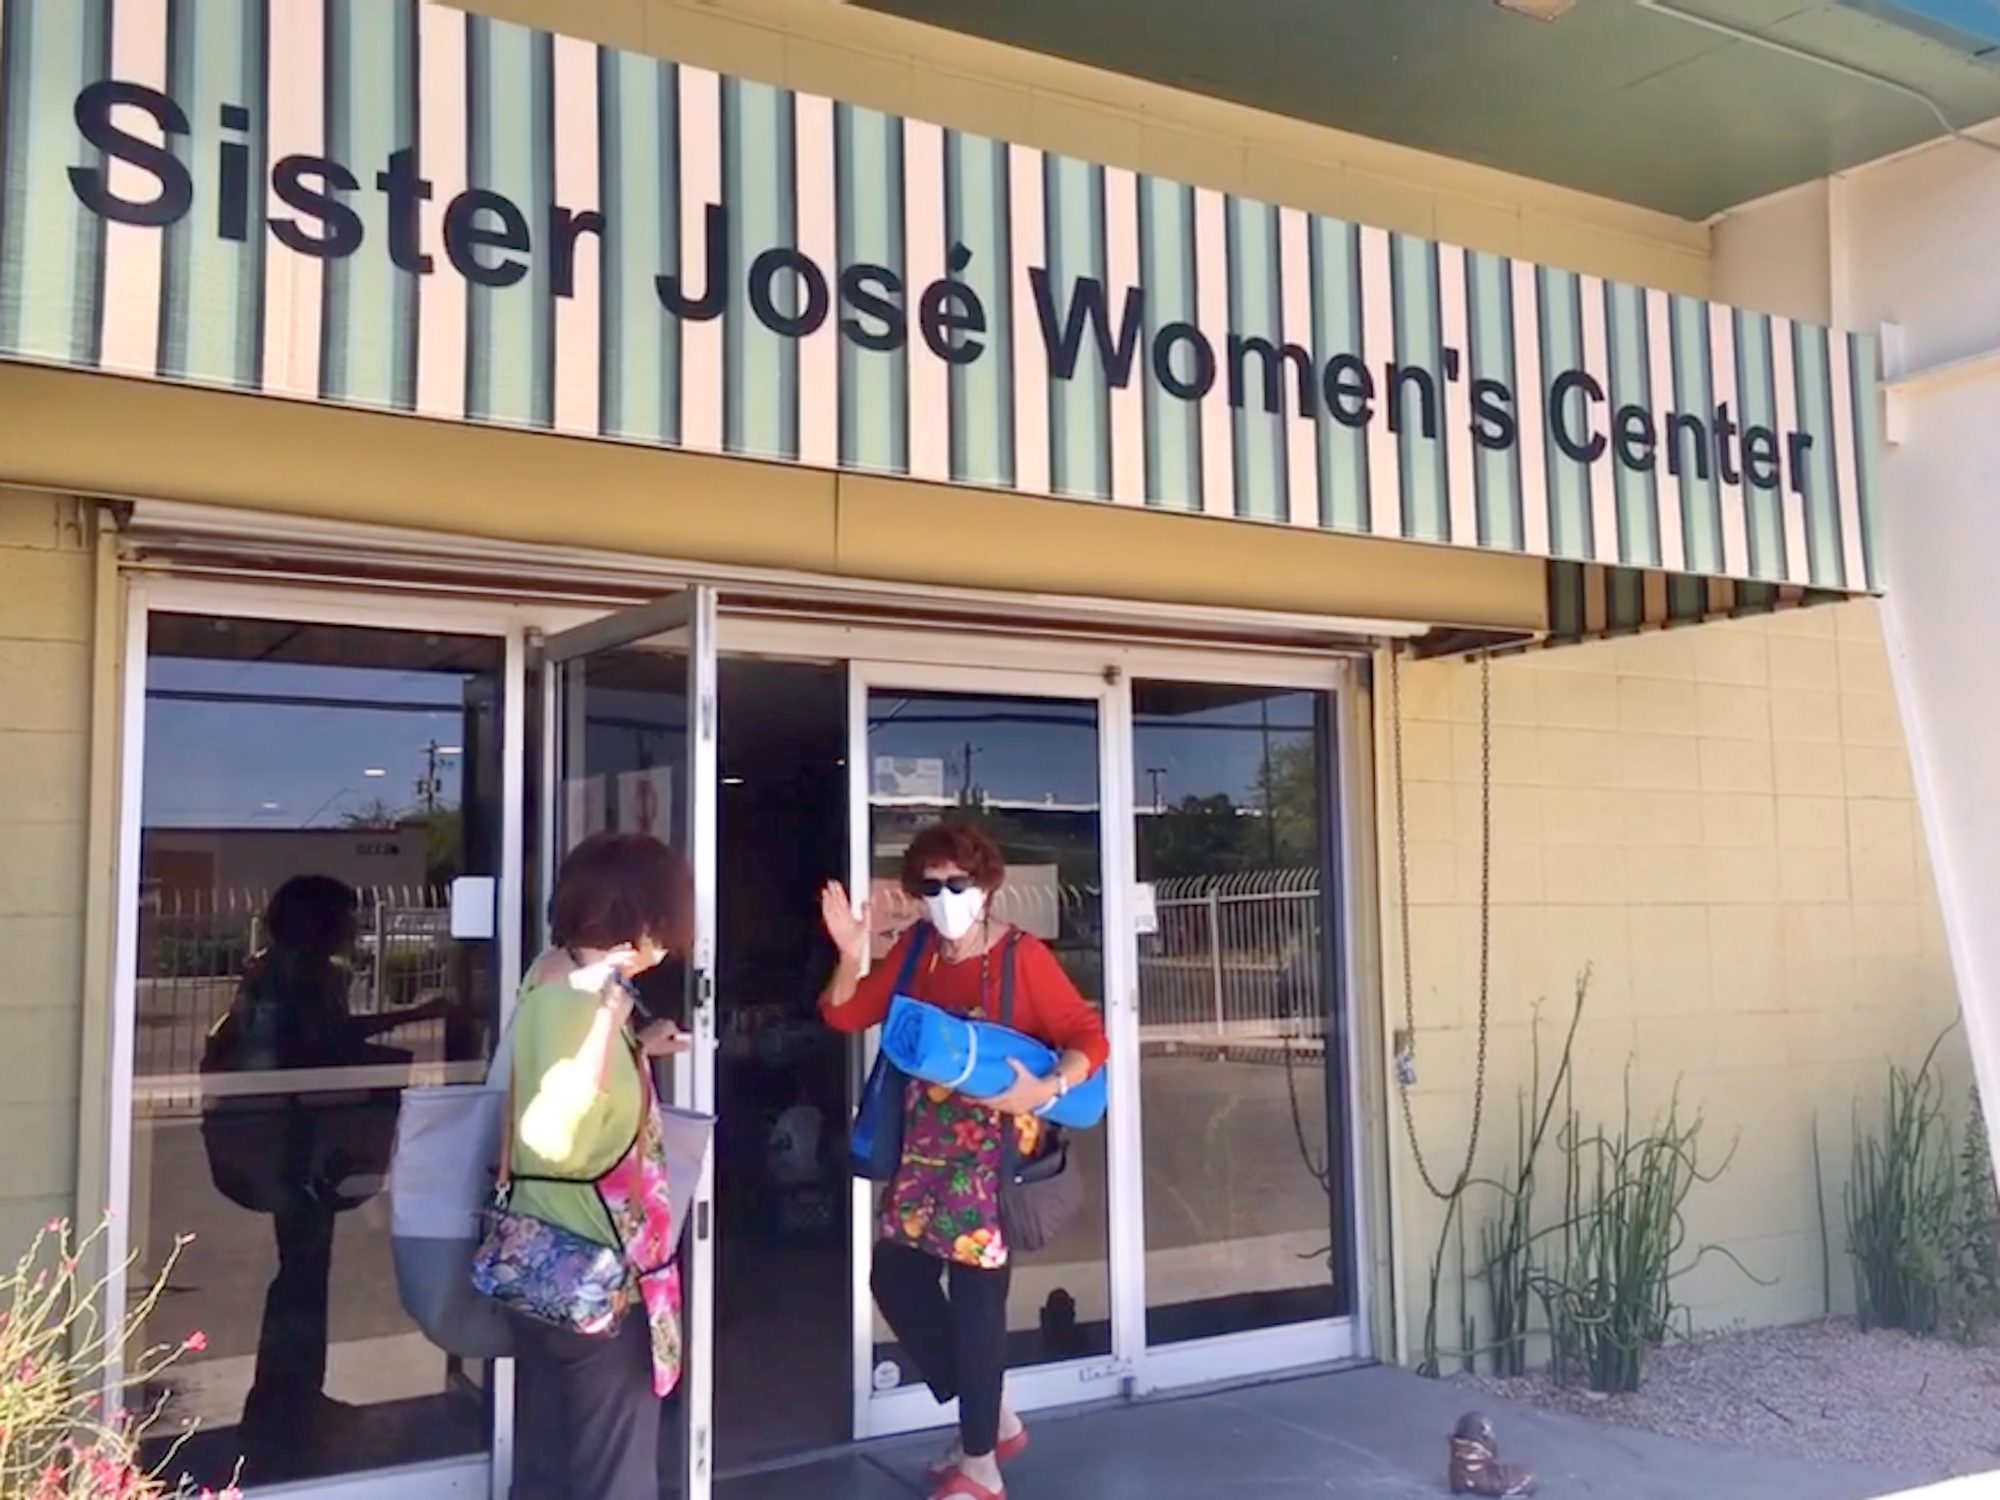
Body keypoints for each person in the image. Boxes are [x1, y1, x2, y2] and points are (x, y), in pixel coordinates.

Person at [819, 823, 1108, 1500]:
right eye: (932, 885)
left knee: (979, 1304)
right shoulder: (916, 951)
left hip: (993, 1158)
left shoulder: (1021, 957)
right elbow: (843, 1014)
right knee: (894, 1278)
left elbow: (1088, 1036)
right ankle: (993, 1416)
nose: (946, 896)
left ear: (985, 885)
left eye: (959, 883)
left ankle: (981, 1465)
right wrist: (852, 953)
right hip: (925, 1156)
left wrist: (1050, 1086)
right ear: (917, 894)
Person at [205, 874, 443, 1473]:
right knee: (304, 1272)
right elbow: (328, 1043)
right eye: (346, 915)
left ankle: (285, 1400)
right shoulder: (310, 973)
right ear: (321, 922)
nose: (355, 926)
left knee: (298, 1271)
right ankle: (289, 1406)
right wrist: (417, 1016)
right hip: (302, 1138)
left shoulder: (269, 966)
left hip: (280, 1134)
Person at [508, 832, 693, 1500]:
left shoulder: (550, 974)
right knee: (613, 1471)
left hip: (541, 1263)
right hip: (598, 1279)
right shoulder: (580, 1002)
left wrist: (636, 1044)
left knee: (552, 1460)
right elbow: (551, 1133)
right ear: (638, 921)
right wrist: (604, 1028)